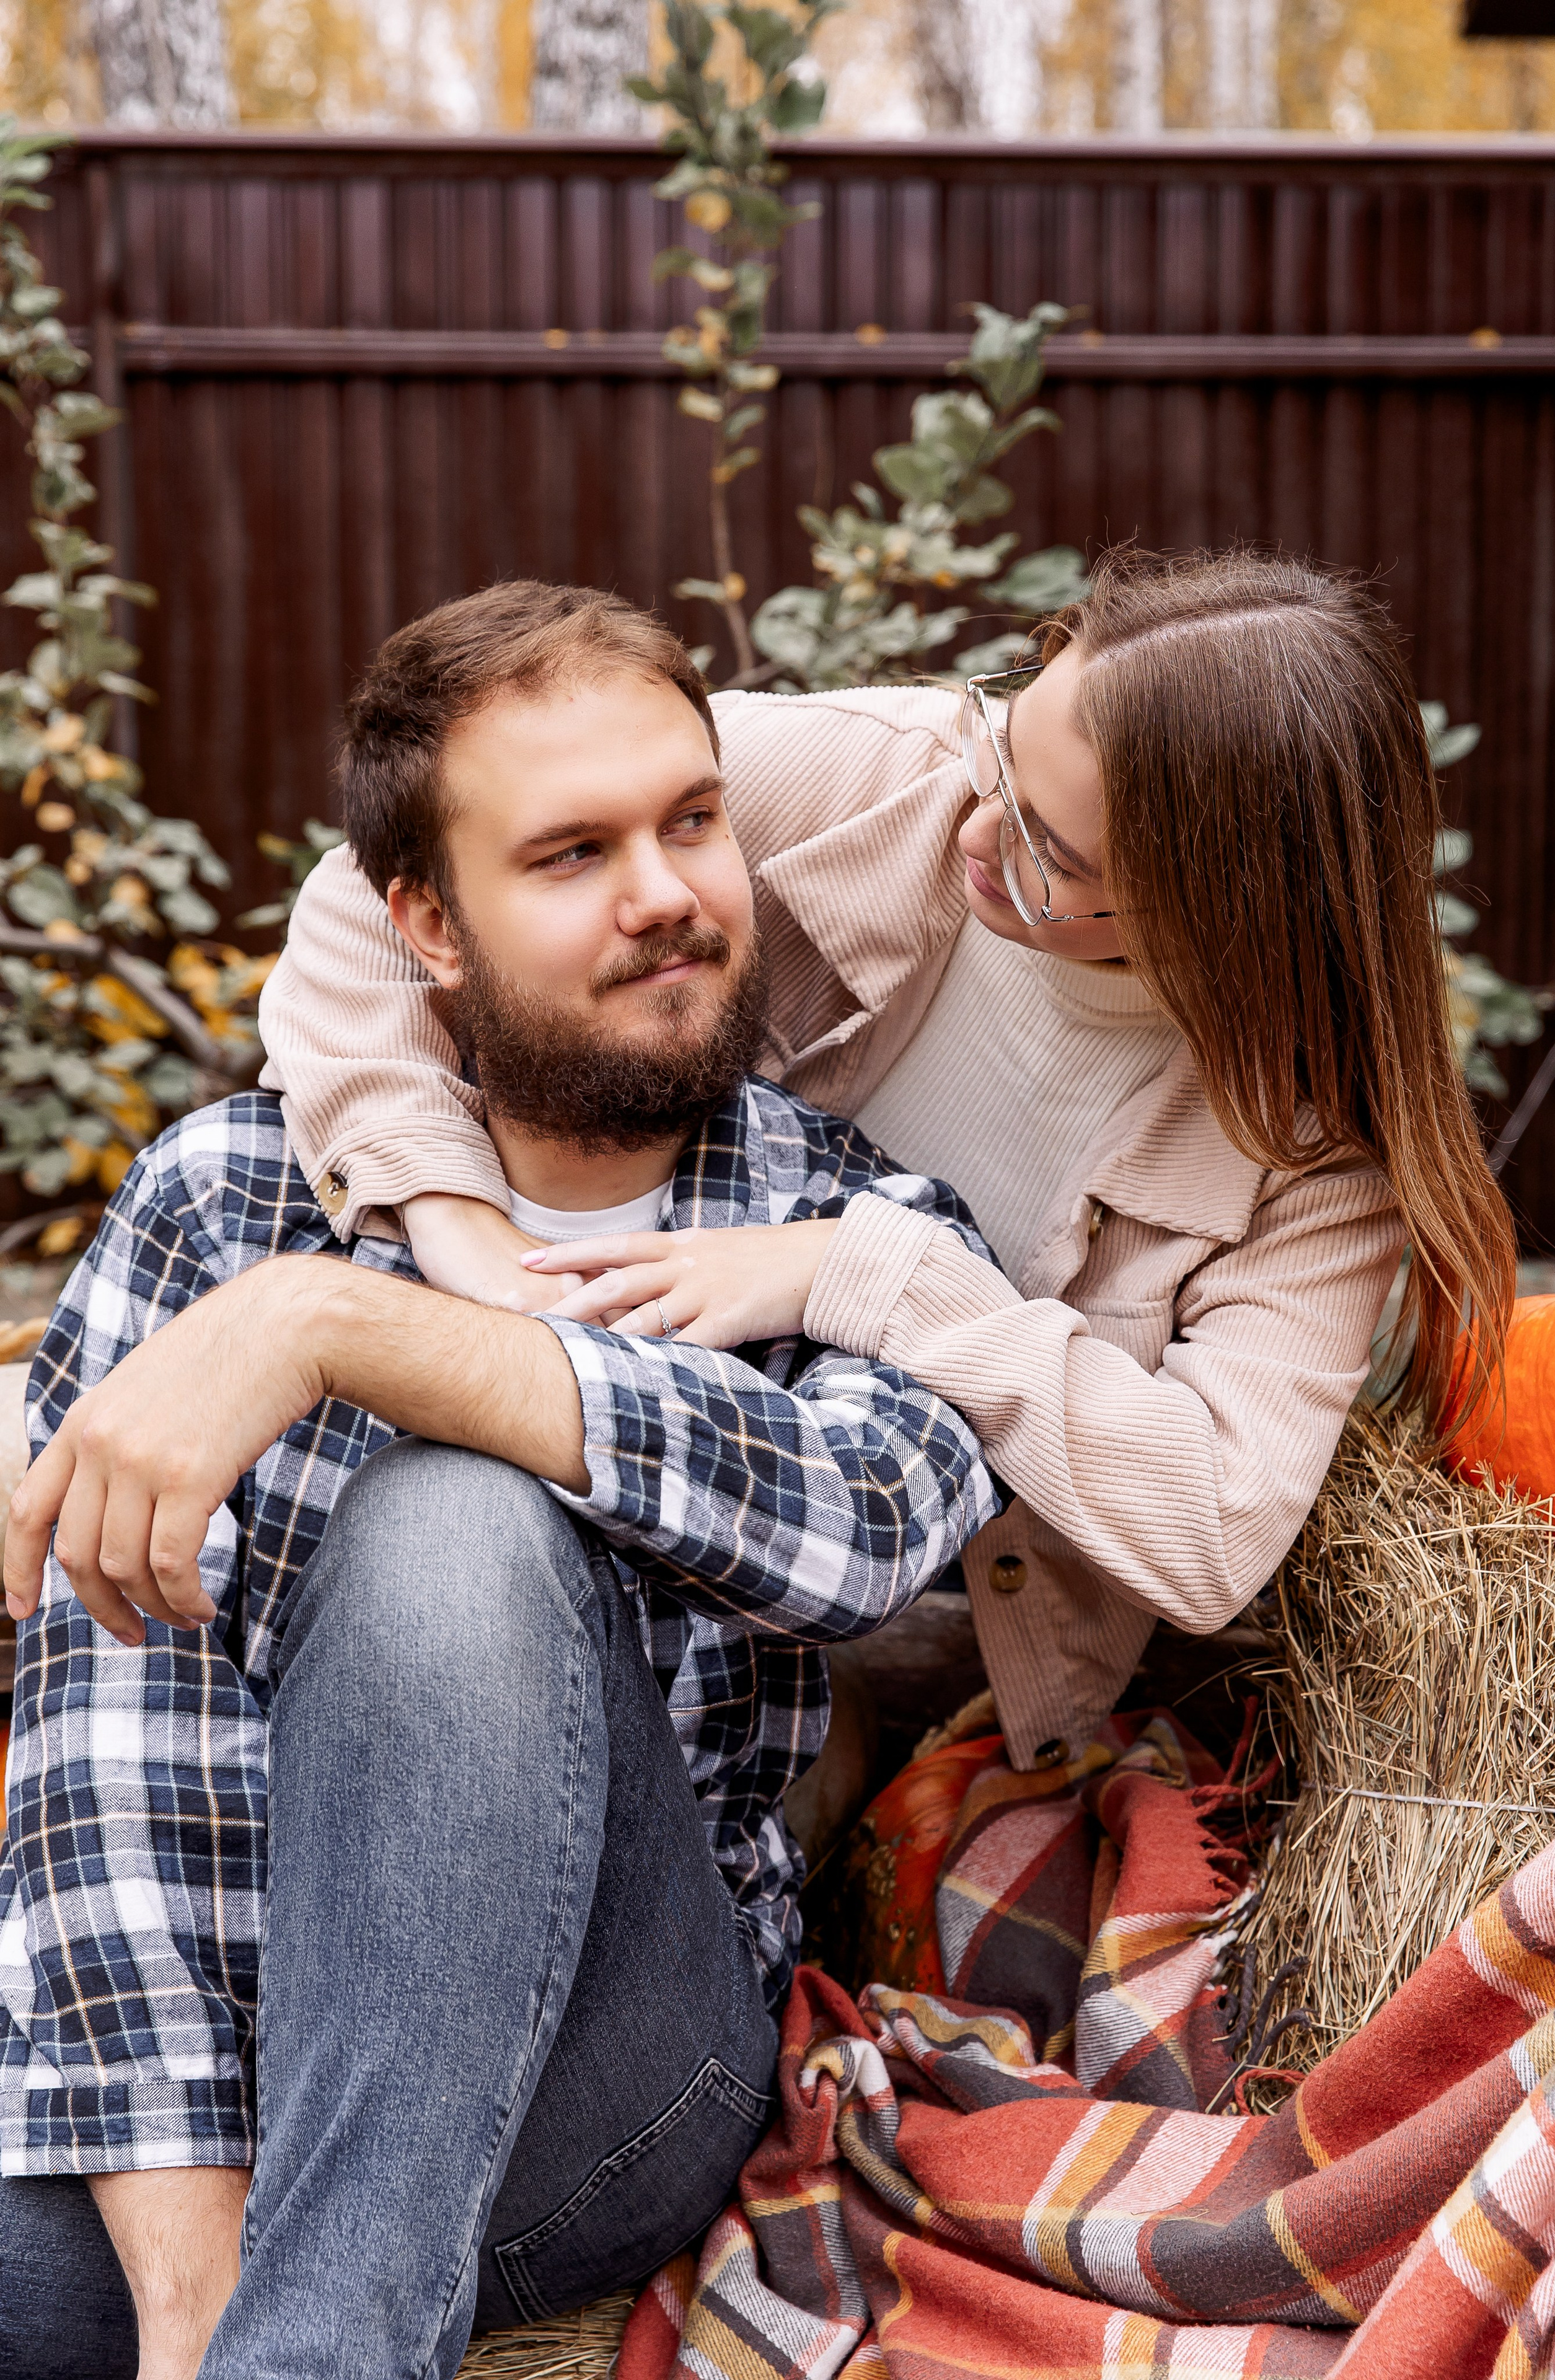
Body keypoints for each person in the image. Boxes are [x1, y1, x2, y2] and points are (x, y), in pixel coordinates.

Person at [0, 584, 998, 2380]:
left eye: (693, 822)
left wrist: (354, 1333)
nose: (666, 893)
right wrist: (186, 2265)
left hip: (610, 2073)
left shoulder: (858, 1232)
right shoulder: (222, 1202)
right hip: (227, 2056)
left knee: (454, 1520)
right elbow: (112, 1740)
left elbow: (864, 1529)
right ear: (423, 925)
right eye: (572, 853)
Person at [252, 545, 1517, 1771]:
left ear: (1220, 915)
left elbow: (1212, 1530)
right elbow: (379, 894)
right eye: (1004, 749)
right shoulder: (881, 776)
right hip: (574, 1469)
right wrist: (451, 1215)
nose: (980, 829)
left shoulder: (1310, 1152)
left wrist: (867, 1273)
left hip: (862, 1621)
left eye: (1053, 856)